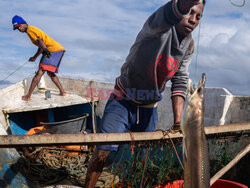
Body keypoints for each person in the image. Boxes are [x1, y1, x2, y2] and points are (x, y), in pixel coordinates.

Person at [85, 0, 205, 187]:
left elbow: (180, 81)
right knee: (103, 151)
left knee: (142, 159)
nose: (193, 20)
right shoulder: (157, 28)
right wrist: (184, 4)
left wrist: (177, 123)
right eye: (189, 12)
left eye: (198, 17)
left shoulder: (189, 47)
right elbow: (167, 14)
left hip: (149, 108)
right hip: (122, 99)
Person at [12, 15, 66, 101]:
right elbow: (40, 46)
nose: (19, 29)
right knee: (50, 72)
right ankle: (62, 92)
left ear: (23, 23)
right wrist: (34, 57)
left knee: (39, 73)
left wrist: (45, 49)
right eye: (17, 28)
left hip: (53, 50)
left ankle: (28, 96)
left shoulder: (30, 30)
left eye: (19, 26)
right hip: (58, 50)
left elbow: (40, 42)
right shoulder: (32, 29)